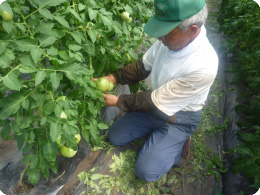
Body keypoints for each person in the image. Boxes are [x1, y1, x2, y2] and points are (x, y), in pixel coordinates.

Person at [98, 0, 218, 182]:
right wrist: (113, 78)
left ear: (192, 31)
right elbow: (142, 66)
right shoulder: (170, 39)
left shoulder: (203, 66)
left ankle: (180, 143)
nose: (160, 39)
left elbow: (153, 101)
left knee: (146, 171)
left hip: (180, 118)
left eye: (166, 34)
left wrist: (118, 101)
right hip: (155, 107)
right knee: (115, 136)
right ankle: (158, 138)